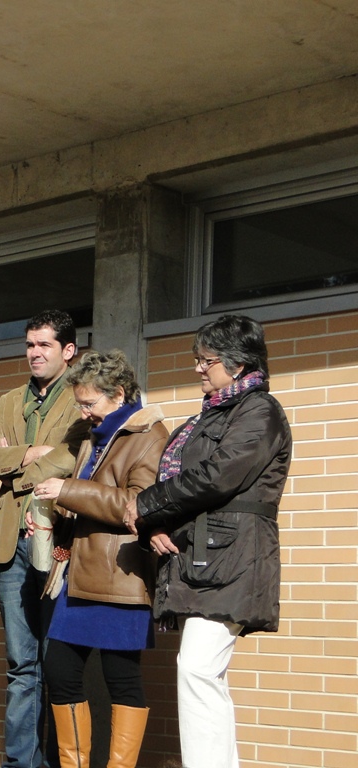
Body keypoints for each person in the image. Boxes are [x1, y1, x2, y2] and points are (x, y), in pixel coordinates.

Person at [123, 314, 291, 768]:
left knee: (197, 669)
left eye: (207, 360)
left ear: (236, 365)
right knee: (200, 672)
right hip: (201, 557)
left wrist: (146, 507)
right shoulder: (209, 415)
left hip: (234, 558)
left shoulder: (260, 411)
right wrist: (155, 525)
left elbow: (217, 477)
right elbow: (180, 478)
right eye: (198, 359)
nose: (198, 368)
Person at [32, 350, 168, 768]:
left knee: (121, 679)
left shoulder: (150, 433)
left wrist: (69, 491)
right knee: (59, 671)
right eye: (80, 403)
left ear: (119, 394)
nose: (84, 412)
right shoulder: (97, 434)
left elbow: (139, 503)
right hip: (79, 573)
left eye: (90, 403)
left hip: (121, 576)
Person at [0, 310, 90, 768]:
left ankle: (58, 761)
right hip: (12, 546)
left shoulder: (83, 398)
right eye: (30, 344)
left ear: (68, 350)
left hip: (60, 541)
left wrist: (20, 469)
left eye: (44, 345)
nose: (34, 353)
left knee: (57, 665)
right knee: (20, 665)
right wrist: (30, 452)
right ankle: (20, 763)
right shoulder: (10, 401)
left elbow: (74, 456)